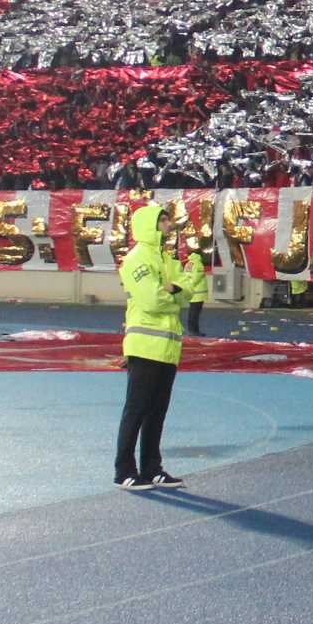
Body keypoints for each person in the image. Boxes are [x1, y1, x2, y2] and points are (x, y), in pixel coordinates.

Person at [115, 206, 203, 489]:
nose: (168, 224)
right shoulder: (136, 259)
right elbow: (152, 300)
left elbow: (187, 291)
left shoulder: (165, 259)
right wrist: (175, 293)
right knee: (136, 410)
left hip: (166, 347)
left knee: (157, 412)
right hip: (144, 346)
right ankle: (124, 470)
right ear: (149, 225)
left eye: (167, 219)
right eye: (162, 220)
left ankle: (152, 467)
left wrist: (173, 290)